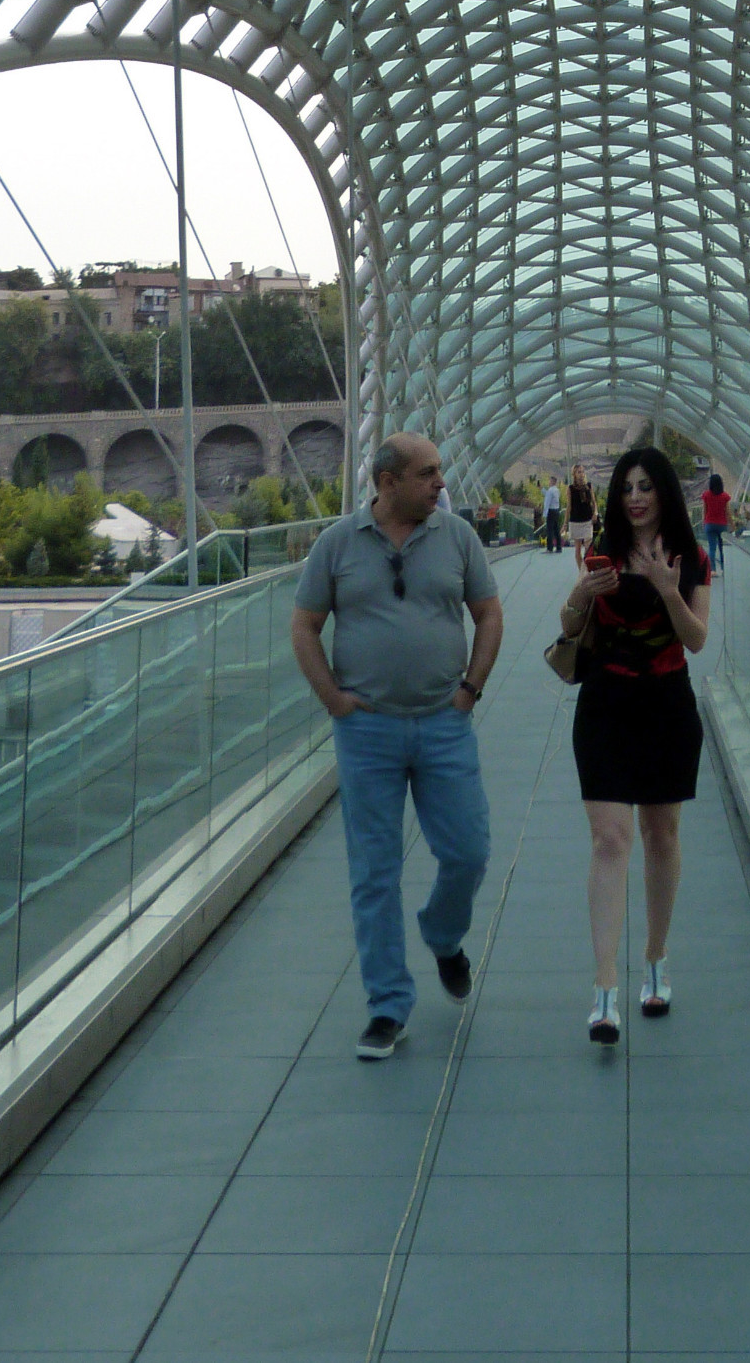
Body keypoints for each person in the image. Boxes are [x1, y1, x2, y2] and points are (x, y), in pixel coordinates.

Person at [290, 432, 504, 1060]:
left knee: (468, 850)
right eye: (428, 473)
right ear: (387, 482)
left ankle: (443, 934)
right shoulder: (337, 545)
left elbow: (488, 613)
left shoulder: (458, 537)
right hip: (367, 731)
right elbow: (304, 625)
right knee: (374, 872)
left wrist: (471, 688)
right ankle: (387, 1006)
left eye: (440, 471)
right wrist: (333, 699)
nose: (442, 483)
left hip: (444, 722)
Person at [555, 445, 711, 1044]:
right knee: (609, 837)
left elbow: (696, 639)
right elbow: (570, 629)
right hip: (606, 705)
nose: (636, 497)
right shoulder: (601, 554)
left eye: (646, 486)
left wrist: (668, 590)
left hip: (667, 703)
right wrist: (581, 595)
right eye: (626, 487)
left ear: (664, 492)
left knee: (660, 834)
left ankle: (655, 960)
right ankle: (603, 991)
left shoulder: (690, 558)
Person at [700, 472, 732, 575]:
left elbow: (704, 510)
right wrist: (732, 524)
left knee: (712, 548)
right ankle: (723, 568)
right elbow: (727, 512)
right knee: (722, 548)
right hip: (722, 524)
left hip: (709, 523)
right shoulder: (725, 496)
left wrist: (704, 522)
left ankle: (713, 570)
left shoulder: (706, 495)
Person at [567, 466, 597, 567]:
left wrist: (595, 513)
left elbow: (593, 502)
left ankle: (587, 569)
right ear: (574, 474)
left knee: (588, 549)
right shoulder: (571, 488)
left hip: (587, 520)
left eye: (582, 472)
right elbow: (569, 507)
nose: (581, 474)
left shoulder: (589, 486)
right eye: (579, 472)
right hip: (575, 521)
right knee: (578, 549)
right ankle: (581, 571)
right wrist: (565, 523)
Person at [543, 476, 564, 554]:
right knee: (556, 529)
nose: (549, 482)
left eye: (550, 481)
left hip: (551, 511)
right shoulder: (557, 490)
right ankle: (559, 547)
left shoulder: (550, 490)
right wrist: (542, 490)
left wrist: (545, 513)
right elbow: (548, 495)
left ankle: (550, 548)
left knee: (550, 530)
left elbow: (547, 501)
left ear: (552, 482)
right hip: (556, 511)